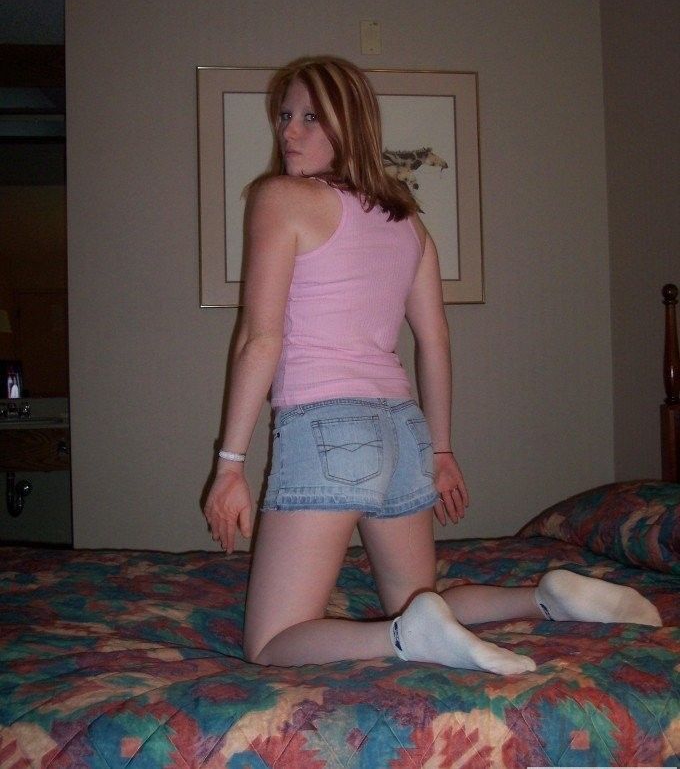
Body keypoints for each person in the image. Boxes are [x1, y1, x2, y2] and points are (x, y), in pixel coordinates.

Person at [203, 56, 661, 673]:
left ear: (350, 122)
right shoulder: (406, 221)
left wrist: (229, 463)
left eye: (311, 117)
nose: (289, 130)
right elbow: (436, 340)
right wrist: (441, 451)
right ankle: (544, 597)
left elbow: (260, 339)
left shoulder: (278, 198)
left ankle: (403, 639)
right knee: (420, 601)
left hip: (327, 426)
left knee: (269, 644)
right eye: (284, 115)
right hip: (403, 430)